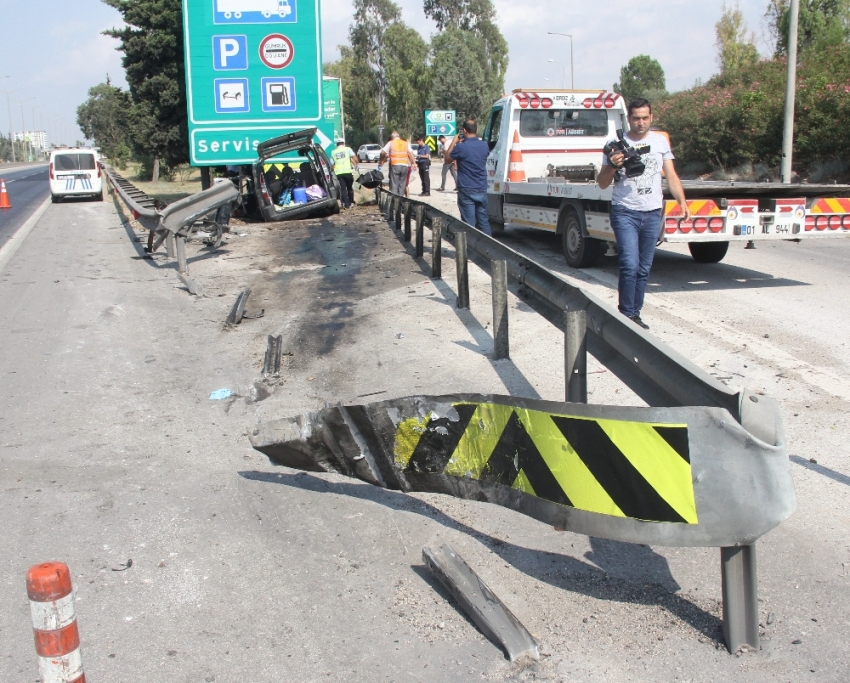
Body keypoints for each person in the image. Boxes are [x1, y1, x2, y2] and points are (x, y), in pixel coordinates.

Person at [597, 98, 690, 330]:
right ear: (628, 118)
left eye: (645, 118)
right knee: (629, 264)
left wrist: (682, 201)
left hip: (652, 212)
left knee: (644, 267)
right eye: (636, 118)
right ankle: (626, 314)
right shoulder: (615, 144)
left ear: (651, 117)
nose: (641, 122)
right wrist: (612, 164)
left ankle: (634, 313)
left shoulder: (660, 142)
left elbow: (671, 175)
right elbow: (601, 183)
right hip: (625, 211)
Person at [445, 120, 491, 236]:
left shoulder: (461, 147)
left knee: (469, 224)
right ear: (476, 130)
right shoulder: (484, 146)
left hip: (466, 189)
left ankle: (469, 251)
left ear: (464, 130)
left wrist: (454, 141)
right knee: (483, 222)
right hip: (481, 187)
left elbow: (447, 159)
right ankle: (489, 250)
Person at [378, 131, 415, 196]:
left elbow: (382, 152)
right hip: (404, 166)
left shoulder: (391, 143)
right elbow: (410, 153)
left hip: (395, 165)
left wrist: (381, 160)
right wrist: (413, 163)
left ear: (392, 137)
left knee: (394, 184)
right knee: (402, 185)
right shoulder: (405, 143)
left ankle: (395, 202)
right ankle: (400, 200)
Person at [330, 139, 359, 209]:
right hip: (348, 172)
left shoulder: (333, 152)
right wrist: (356, 164)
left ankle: (346, 205)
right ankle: (351, 202)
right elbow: (354, 157)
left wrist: (332, 171)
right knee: (349, 188)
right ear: (343, 143)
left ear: (337, 144)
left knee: (343, 189)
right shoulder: (348, 149)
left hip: (339, 173)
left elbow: (332, 164)